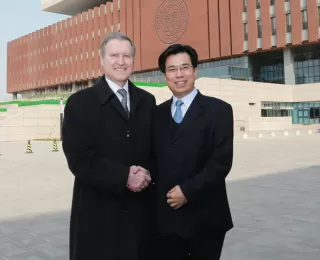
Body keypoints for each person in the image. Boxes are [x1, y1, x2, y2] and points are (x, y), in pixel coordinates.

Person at [62, 32, 156, 260]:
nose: (121, 61)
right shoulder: (79, 103)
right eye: (114, 55)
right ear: (101, 60)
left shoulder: (148, 101)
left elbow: (155, 148)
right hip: (98, 214)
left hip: (139, 213)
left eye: (127, 56)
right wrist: (124, 176)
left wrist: (146, 174)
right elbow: (79, 159)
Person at [152, 44, 234, 260]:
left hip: (206, 218)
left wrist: (187, 191)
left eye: (185, 67)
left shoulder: (220, 110)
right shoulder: (156, 114)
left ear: (195, 71)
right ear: (164, 75)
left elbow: (221, 162)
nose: (179, 74)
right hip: (166, 220)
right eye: (172, 69)